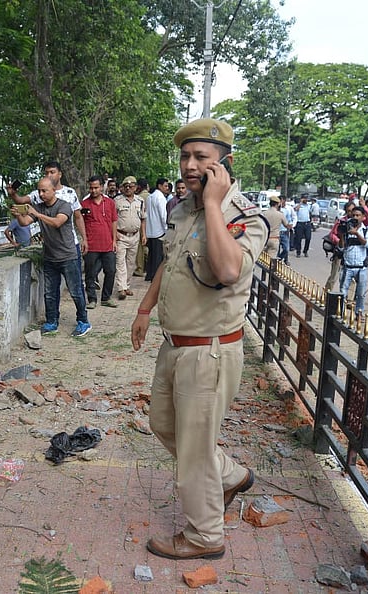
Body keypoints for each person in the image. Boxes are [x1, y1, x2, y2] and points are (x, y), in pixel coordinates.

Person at [131, 118, 267, 561]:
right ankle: (228, 475)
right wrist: (145, 308)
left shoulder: (246, 216)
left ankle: (205, 536)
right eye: (185, 156)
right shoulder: (182, 210)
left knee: (192, 452)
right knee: (164, 426)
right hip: (176, 345)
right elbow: (169, 264)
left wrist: (213, 204)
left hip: (209, 351)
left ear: (223, 164)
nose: (189, 165)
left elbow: (227, 271)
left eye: (200, 158)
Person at [12, 178, 91, 337]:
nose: (41, 194)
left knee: (76, 291)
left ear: (53, 190)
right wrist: (18, 214)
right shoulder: (39, 207)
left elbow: (56, 222)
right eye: (39, 191)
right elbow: (25, 222)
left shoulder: (64, 205)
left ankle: (83, 321)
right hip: (50, 257)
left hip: (68, 256)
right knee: (49, 293)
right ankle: (51, 322)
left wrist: (37, 214)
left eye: (44, 191)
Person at [8, 161, 87, 266]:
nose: (49, 175)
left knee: (75, 282)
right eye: (46, 173)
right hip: (50, 249)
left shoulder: (69, 193)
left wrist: (84, 239)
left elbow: (78, 217)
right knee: (51, 282)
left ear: (60, 174)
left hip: (70, 246)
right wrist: (13, 194)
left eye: (52, 172)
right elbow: (21, 201)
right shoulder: (38, 194)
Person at [80, 176, 119, 309]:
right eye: (91, 187)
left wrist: (114, 240)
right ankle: (92, 299)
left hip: (108, 244)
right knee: (90, 273)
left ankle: (106, 298)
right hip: (91, 244)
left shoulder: (109, 203)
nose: (93, 190)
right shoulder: (84, 204)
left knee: (111, 270)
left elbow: (114, 221)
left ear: (102, 187)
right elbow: (80, 223)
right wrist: (84, 240)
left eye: (96, 187)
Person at [114, 176, 146, 299]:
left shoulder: (140, 201)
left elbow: (143, 219)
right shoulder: (117, 201)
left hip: (135, 236)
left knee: (131, 263)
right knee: (120, 262)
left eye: (131, 186)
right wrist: (115, 234)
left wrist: (144, 235)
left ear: (136, 187)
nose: (128, 188)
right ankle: (121, 288)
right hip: (121, 235)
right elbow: (113, 219)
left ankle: (126, 286)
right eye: (125, 186)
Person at [338, 206, 368, 320]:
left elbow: (367, 244)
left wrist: (357, 234)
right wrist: (342, 234)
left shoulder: (367, 230)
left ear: (363, 217)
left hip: (361, 267)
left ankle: (359, 312)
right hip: (347, 266)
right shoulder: (346, 229)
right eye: (353, 215)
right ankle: (341, 312)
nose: (355, 218)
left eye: (358, 215)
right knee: (343, 291)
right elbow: (342, 247)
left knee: (361, 293)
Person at [144, 178, 170, 281]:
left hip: (150, 230)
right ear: (160, 186)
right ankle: (155, 277)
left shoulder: (150, 197)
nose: (167, 188)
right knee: (158, 257)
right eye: (165, 186)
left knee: (151, 255)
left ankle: (149, 274)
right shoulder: (160, 198)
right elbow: (163, 215)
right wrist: (166, 228)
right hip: (159, 231)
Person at [325, 202, 354, 291]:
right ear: (346, 211)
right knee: (334, 276)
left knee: (351, 279)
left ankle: (348, 301)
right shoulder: (341, 221)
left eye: (353, 211)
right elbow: (332, 234)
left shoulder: (357, 223)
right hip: (339, 252)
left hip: (352, 253)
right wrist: (340, 241)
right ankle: (327, 295)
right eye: (349, 211)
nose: (351, 213)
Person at [134, 179, 150, 277]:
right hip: (151, 225)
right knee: (147, 246)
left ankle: (140, 269)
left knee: (140, 248)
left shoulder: (138, 198)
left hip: (141, 224)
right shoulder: (152, 196)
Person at [278, 195, 295, 264]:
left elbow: (289, 220)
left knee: (286, 248)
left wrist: (291, 226)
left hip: (285, 231)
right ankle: (277, 260)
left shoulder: (287, 209)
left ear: (284, 200)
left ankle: (281, 259)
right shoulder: (276, 210)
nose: (280, 202)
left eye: (281, 200)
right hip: (277, 231)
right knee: (277, 248)